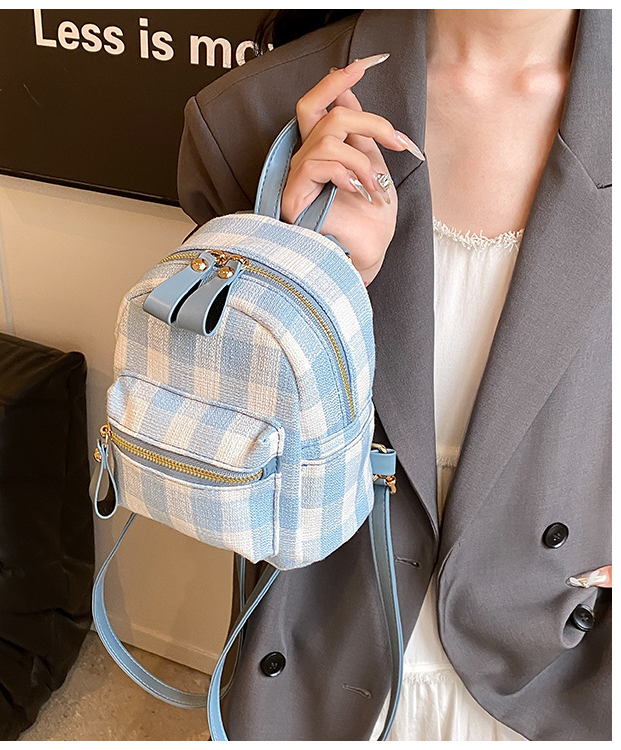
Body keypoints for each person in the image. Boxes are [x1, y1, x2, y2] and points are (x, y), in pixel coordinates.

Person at [176, 9, 610, 741]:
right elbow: (206, 436)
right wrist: (311, 277)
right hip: (329, 650)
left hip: (559, 658)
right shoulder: (248, 117)